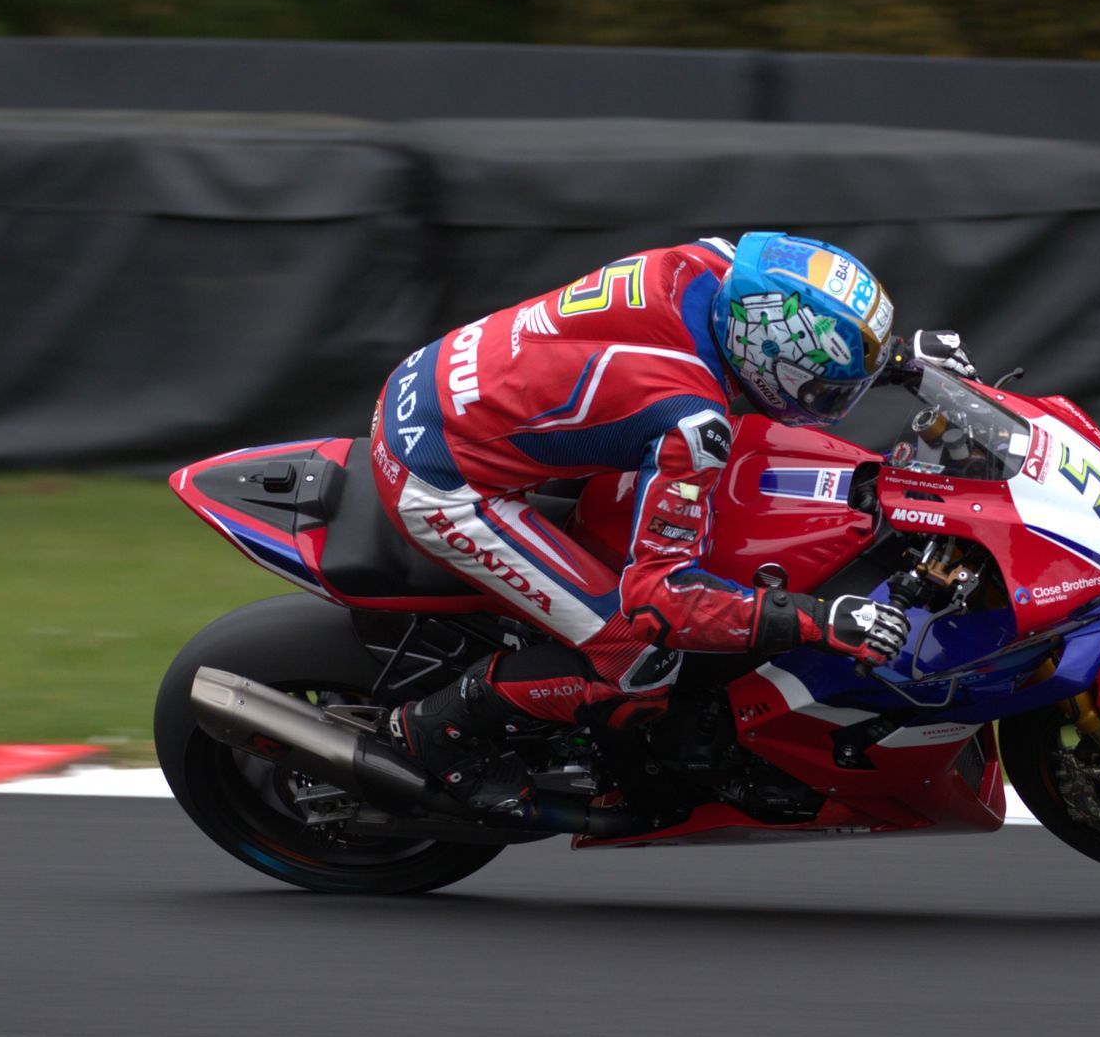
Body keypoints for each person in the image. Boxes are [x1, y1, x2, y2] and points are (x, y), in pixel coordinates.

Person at [369, 232, 975, 812]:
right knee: (636, 656)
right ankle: (440, 725)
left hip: (438, 377)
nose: (830, 403)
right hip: (442, 479)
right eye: (824, 387)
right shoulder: (690, 421)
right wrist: (821, 619)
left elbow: (793, 319)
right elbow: (661, 600)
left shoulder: (714, 264)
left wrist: (895, 358)